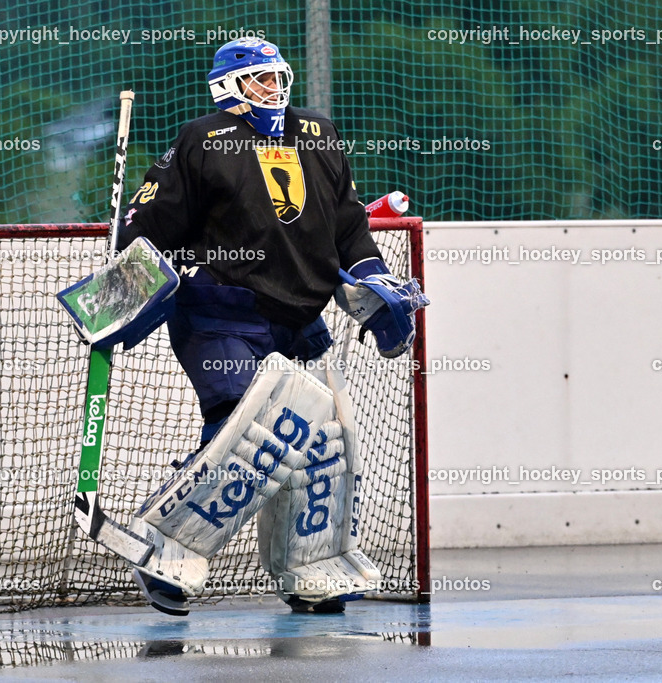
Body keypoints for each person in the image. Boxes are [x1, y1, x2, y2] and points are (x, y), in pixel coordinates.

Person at [115, 37, 427, 615]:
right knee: (248, 432)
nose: (273, 89)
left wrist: (373, 280)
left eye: (277, 77)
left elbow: (348, 226)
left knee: (323, 442)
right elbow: (148, 226)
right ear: (227, 88)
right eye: (259, 79)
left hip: (299, 316)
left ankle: (312, 565)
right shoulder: (203, 139)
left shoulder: (318, 133)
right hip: (220, 314)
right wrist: (125, 278)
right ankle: (168, 555)